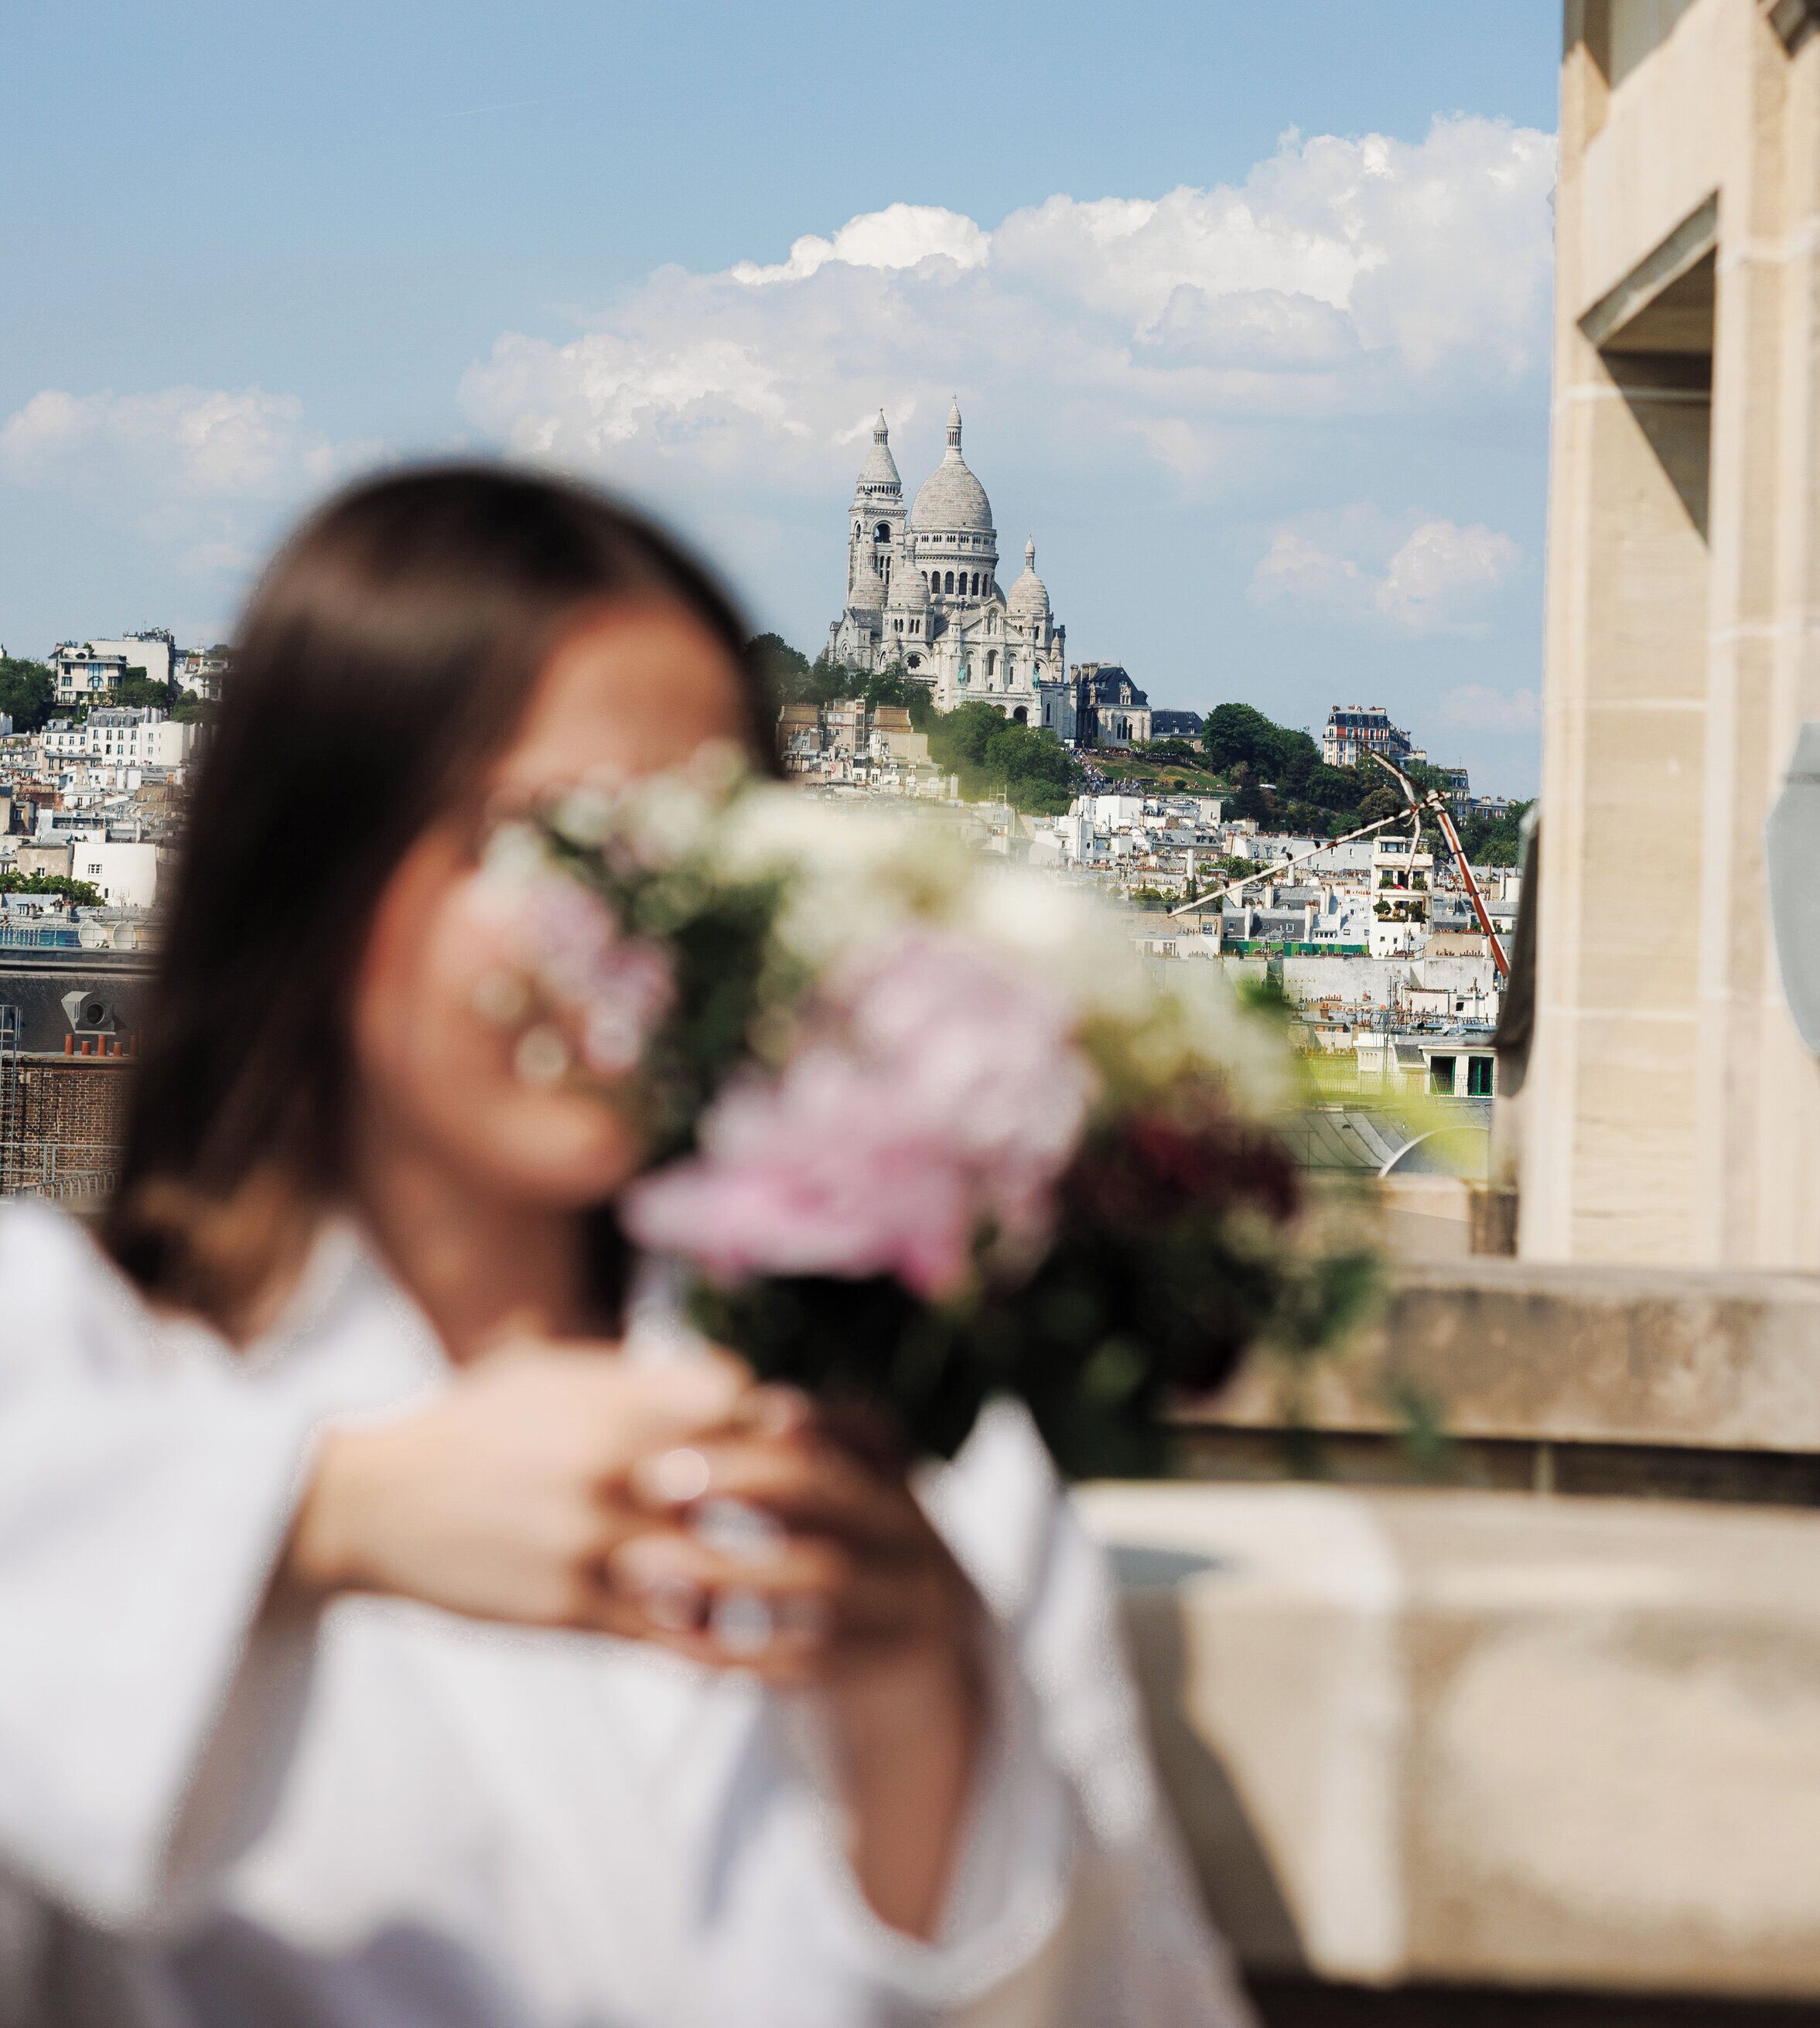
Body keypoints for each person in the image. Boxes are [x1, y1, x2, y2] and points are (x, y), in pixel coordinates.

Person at [0, 464, 1249, 2028]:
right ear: (311, 869)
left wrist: (925, 1720)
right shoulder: (60, 1368)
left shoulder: (923, 1464)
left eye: (705, 854)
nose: (632, 934)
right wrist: (319, 1525)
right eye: (547, 844)